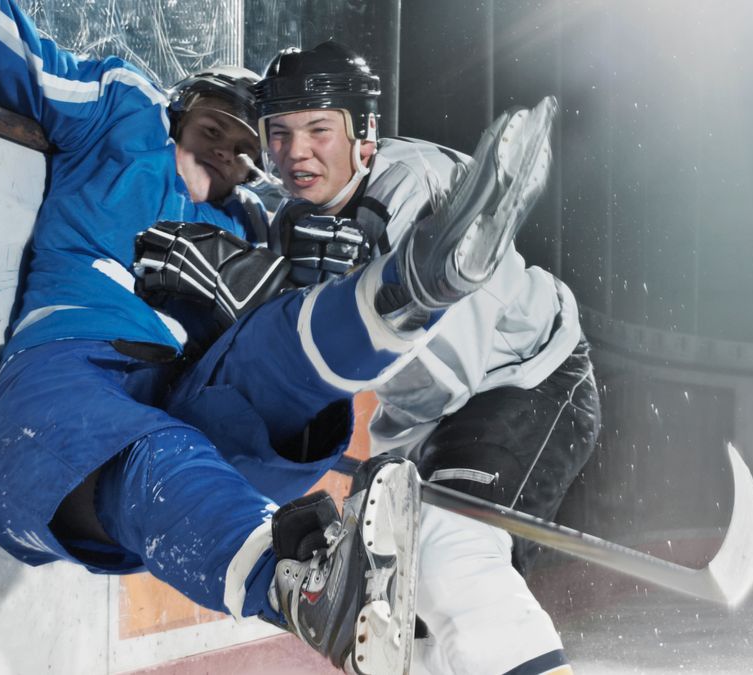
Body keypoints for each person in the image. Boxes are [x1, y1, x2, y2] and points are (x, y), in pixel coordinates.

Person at [0, 3, 472, 672]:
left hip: (186, 401)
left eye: (248, 145)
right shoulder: (123, 112)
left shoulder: (256, 221)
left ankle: (387, 301)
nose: (227, 148)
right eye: (215, 125)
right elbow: (15, 55)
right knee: (155, 450)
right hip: (73, 371)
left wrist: (310, 280)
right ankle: (304, 580)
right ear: (180, 109)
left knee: (281, 337)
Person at [250, 42, 603, 675]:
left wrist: (361, 292)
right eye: (279, 132)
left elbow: (451, 371)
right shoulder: (296, 219)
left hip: (528, 384)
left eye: (318, 129)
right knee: (399, 609)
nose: (296, 151)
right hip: (432, 422)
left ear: (365, 134)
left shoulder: (409, 187)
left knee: (448, 550)